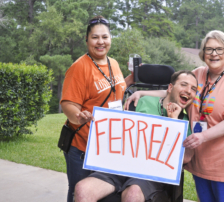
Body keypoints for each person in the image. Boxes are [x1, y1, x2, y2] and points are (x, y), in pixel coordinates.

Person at [125, 30, 224, 202]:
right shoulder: (199, 73)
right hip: (201, 156)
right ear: (203, 53)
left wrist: (203, 136)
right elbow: (174, 90)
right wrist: (140, 92)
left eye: (219, 49)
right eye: (209, 49)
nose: (213, 54)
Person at [74, 70, 198, 202]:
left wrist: (173, 121)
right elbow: (119, 131)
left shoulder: (186, 120)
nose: (189, 91)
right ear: (170, 88)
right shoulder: (142, 102)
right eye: (184, 85)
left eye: (193, 89)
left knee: (133, 194)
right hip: (119, 166)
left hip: (150, 174)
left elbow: (186, 157)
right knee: (82, 189)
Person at [60, 15, 134, 202]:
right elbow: (67, 103)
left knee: (103, 194)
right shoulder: (79, 67)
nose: (100, 42)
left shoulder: (114, 63)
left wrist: (132, 78)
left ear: (110, 39)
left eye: (105, 37)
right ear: (87, 40)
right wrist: (78, 115)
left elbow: (113, 89)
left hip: (107, 146)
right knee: (80, 193)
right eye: (95, 37)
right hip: (83, 147)